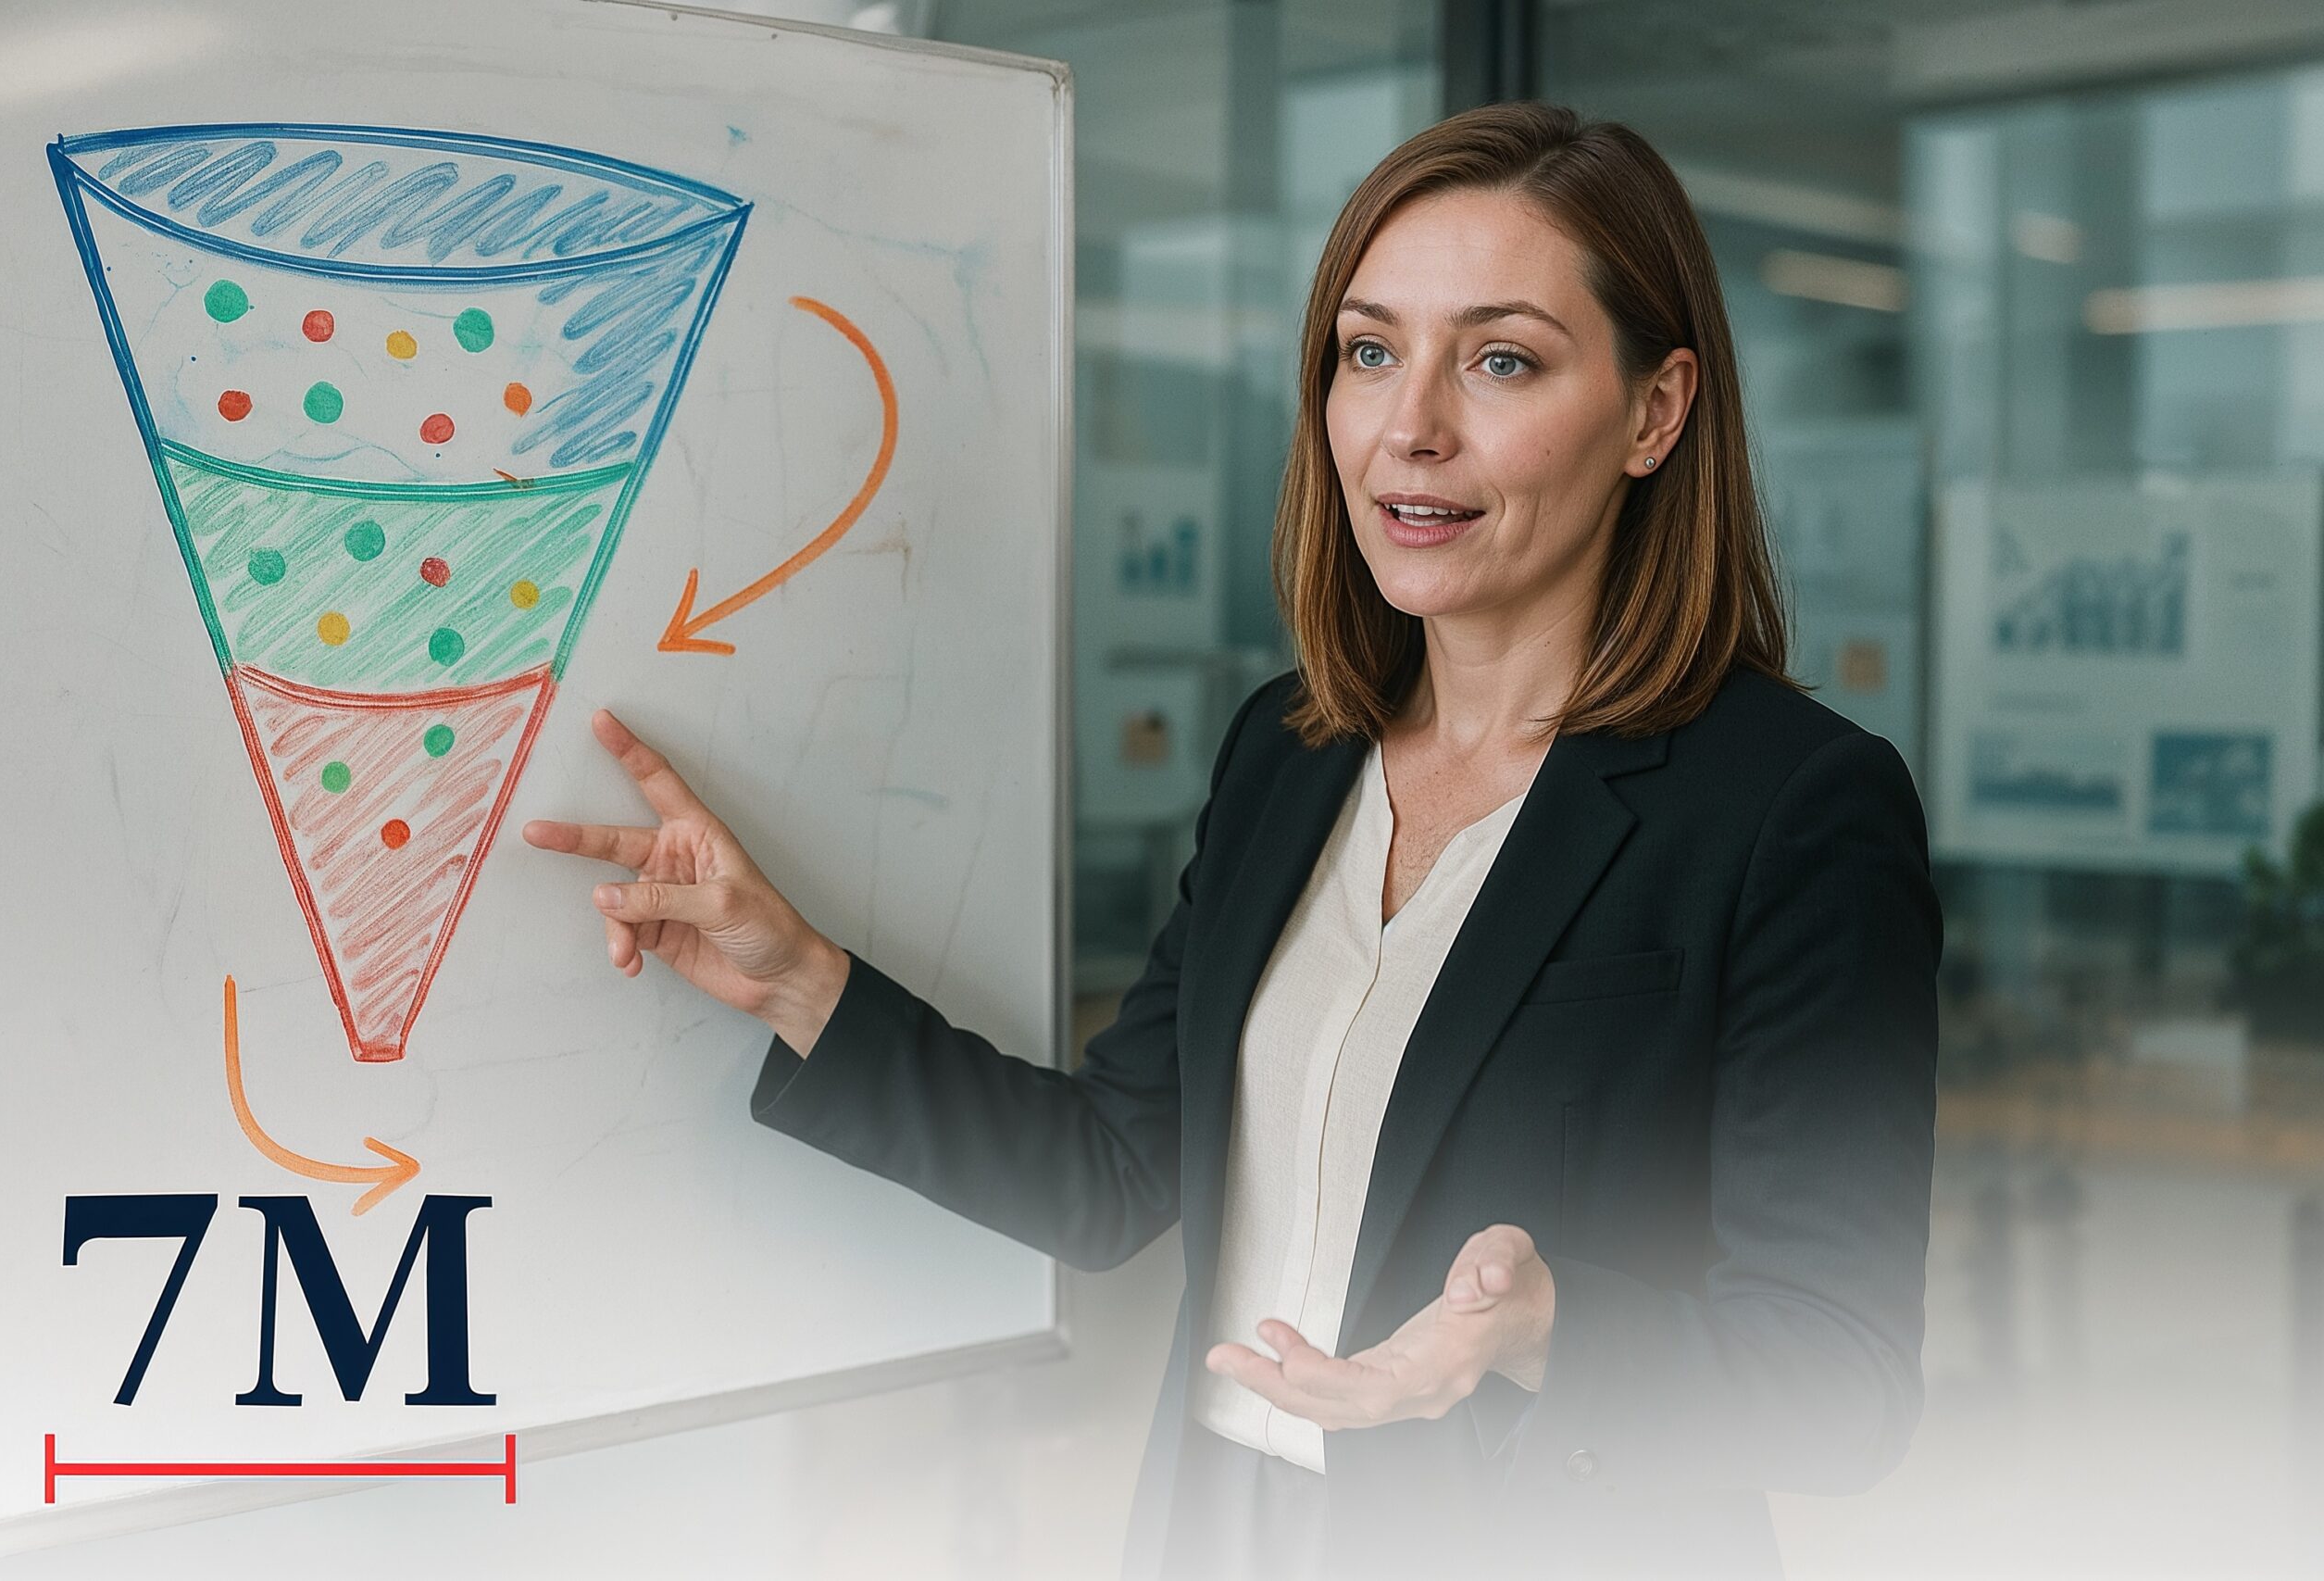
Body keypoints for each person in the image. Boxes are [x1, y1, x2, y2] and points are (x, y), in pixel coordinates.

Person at [521, 100, 1943, 1581]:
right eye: (1370, 351)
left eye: (1503, 359)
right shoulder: (1293, 751)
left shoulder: (1791, 807)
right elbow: (1114, 1171)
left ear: (1655, 413)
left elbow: (1843, 1383)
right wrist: (799, 979)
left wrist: (1544, 1331)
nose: (1411, 427)